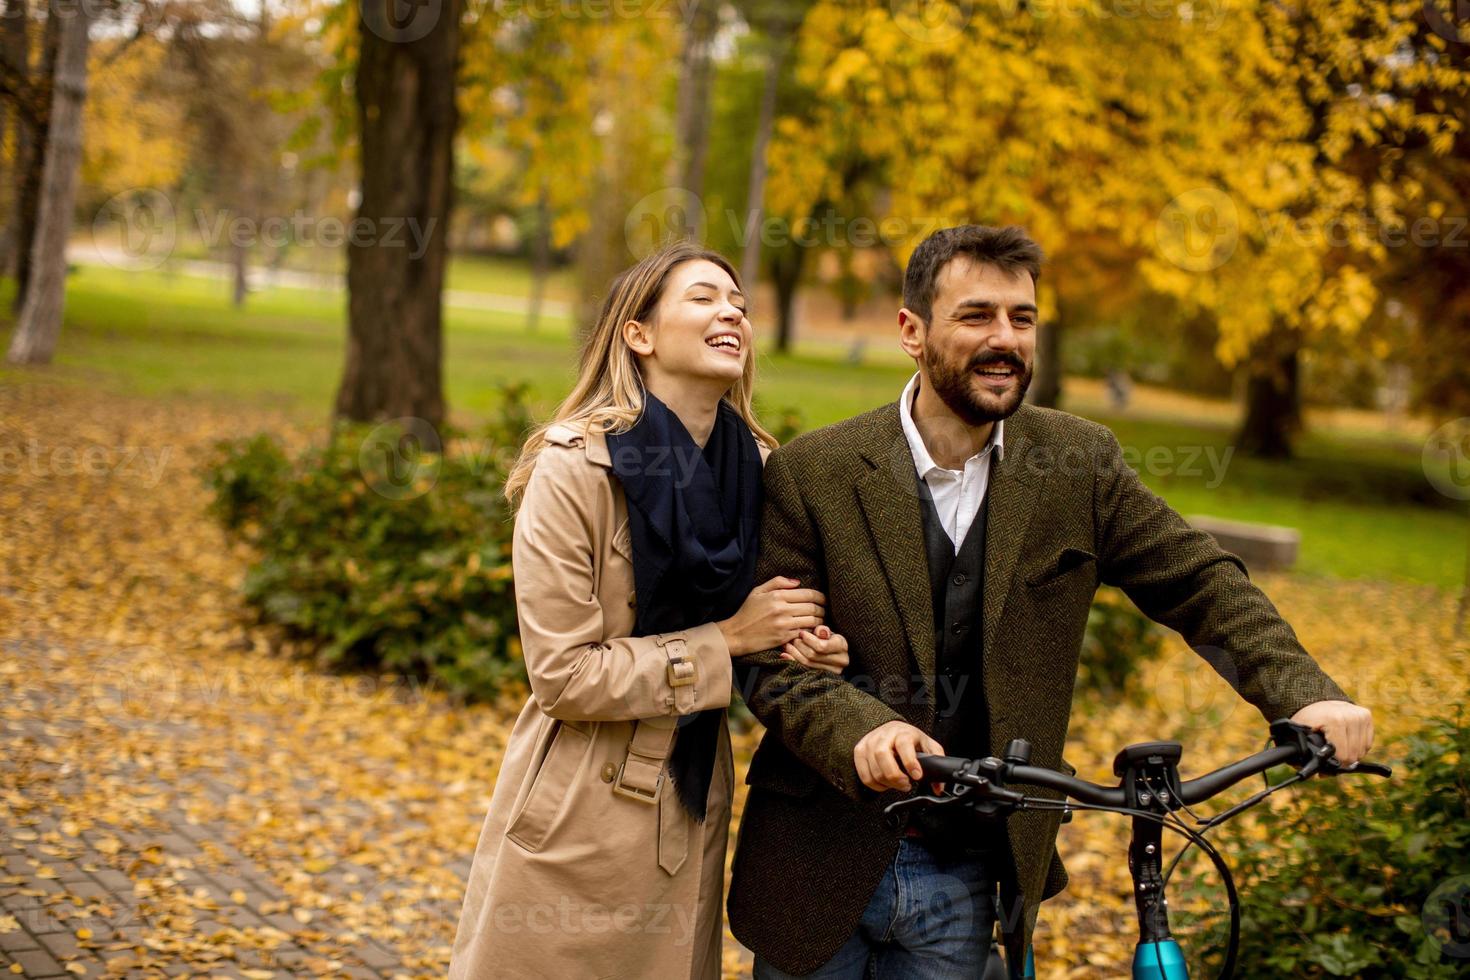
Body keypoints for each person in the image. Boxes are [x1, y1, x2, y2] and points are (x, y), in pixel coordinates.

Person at [727, 224, 1375, 978]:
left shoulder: (1078, 463)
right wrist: (863, 730)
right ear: (912, 330)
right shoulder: (818, 470)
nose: (1005, 339)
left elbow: (1200, 582)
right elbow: (775, 663)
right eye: (976, 316)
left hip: (972, 869)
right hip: (818, 857)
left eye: (1022, 319)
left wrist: (1304, 695)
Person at [448, 241, 849, 979]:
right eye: (703, 297)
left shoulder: (762, 472)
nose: (731, 310)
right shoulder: (575, 470)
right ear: (639, 334)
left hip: (690, 796)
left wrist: (801, 649)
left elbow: (762, 631)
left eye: (739, 303)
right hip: (578, 801)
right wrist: (729, 639)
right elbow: (563, 676)